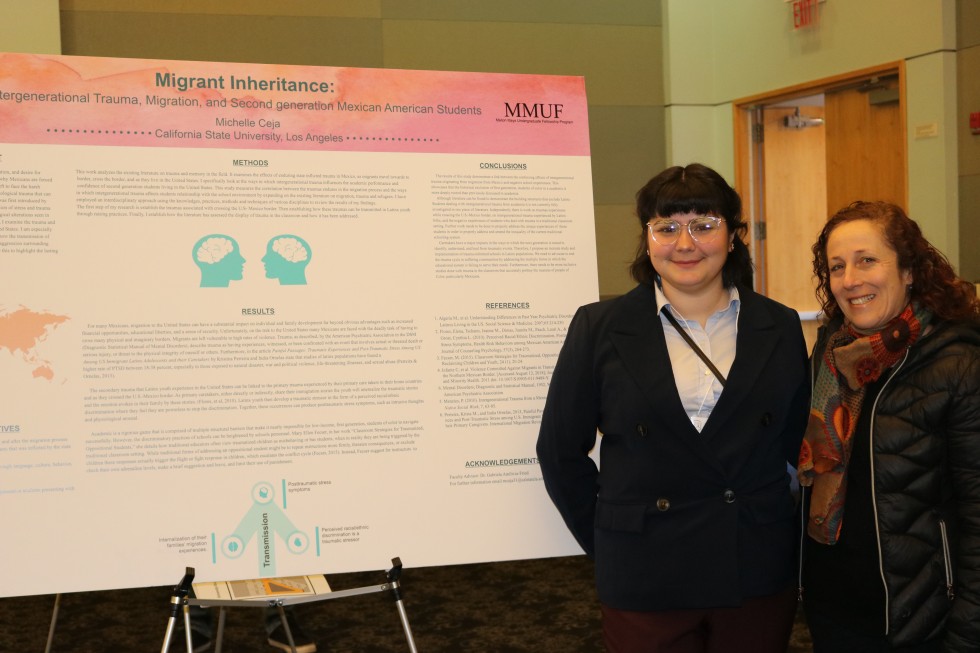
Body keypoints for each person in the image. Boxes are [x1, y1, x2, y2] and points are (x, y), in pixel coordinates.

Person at [537, 163, 810, 653]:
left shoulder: (780, 325)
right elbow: (559, 450)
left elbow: (796, 446)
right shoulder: (600, 327)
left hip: (753, 564)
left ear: (733, 236)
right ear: (648, 239)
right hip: (645, 569)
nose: (685, 244)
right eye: (667, 227)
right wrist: (613, 542)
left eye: (704, 225)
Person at [798, 201, 980, 652]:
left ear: (909, 271)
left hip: (921, 622)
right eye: (837, 267)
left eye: (867, 260)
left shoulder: (957, 363)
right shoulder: (830, 356)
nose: (850, 279)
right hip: (833, 609)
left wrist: (967, 633)